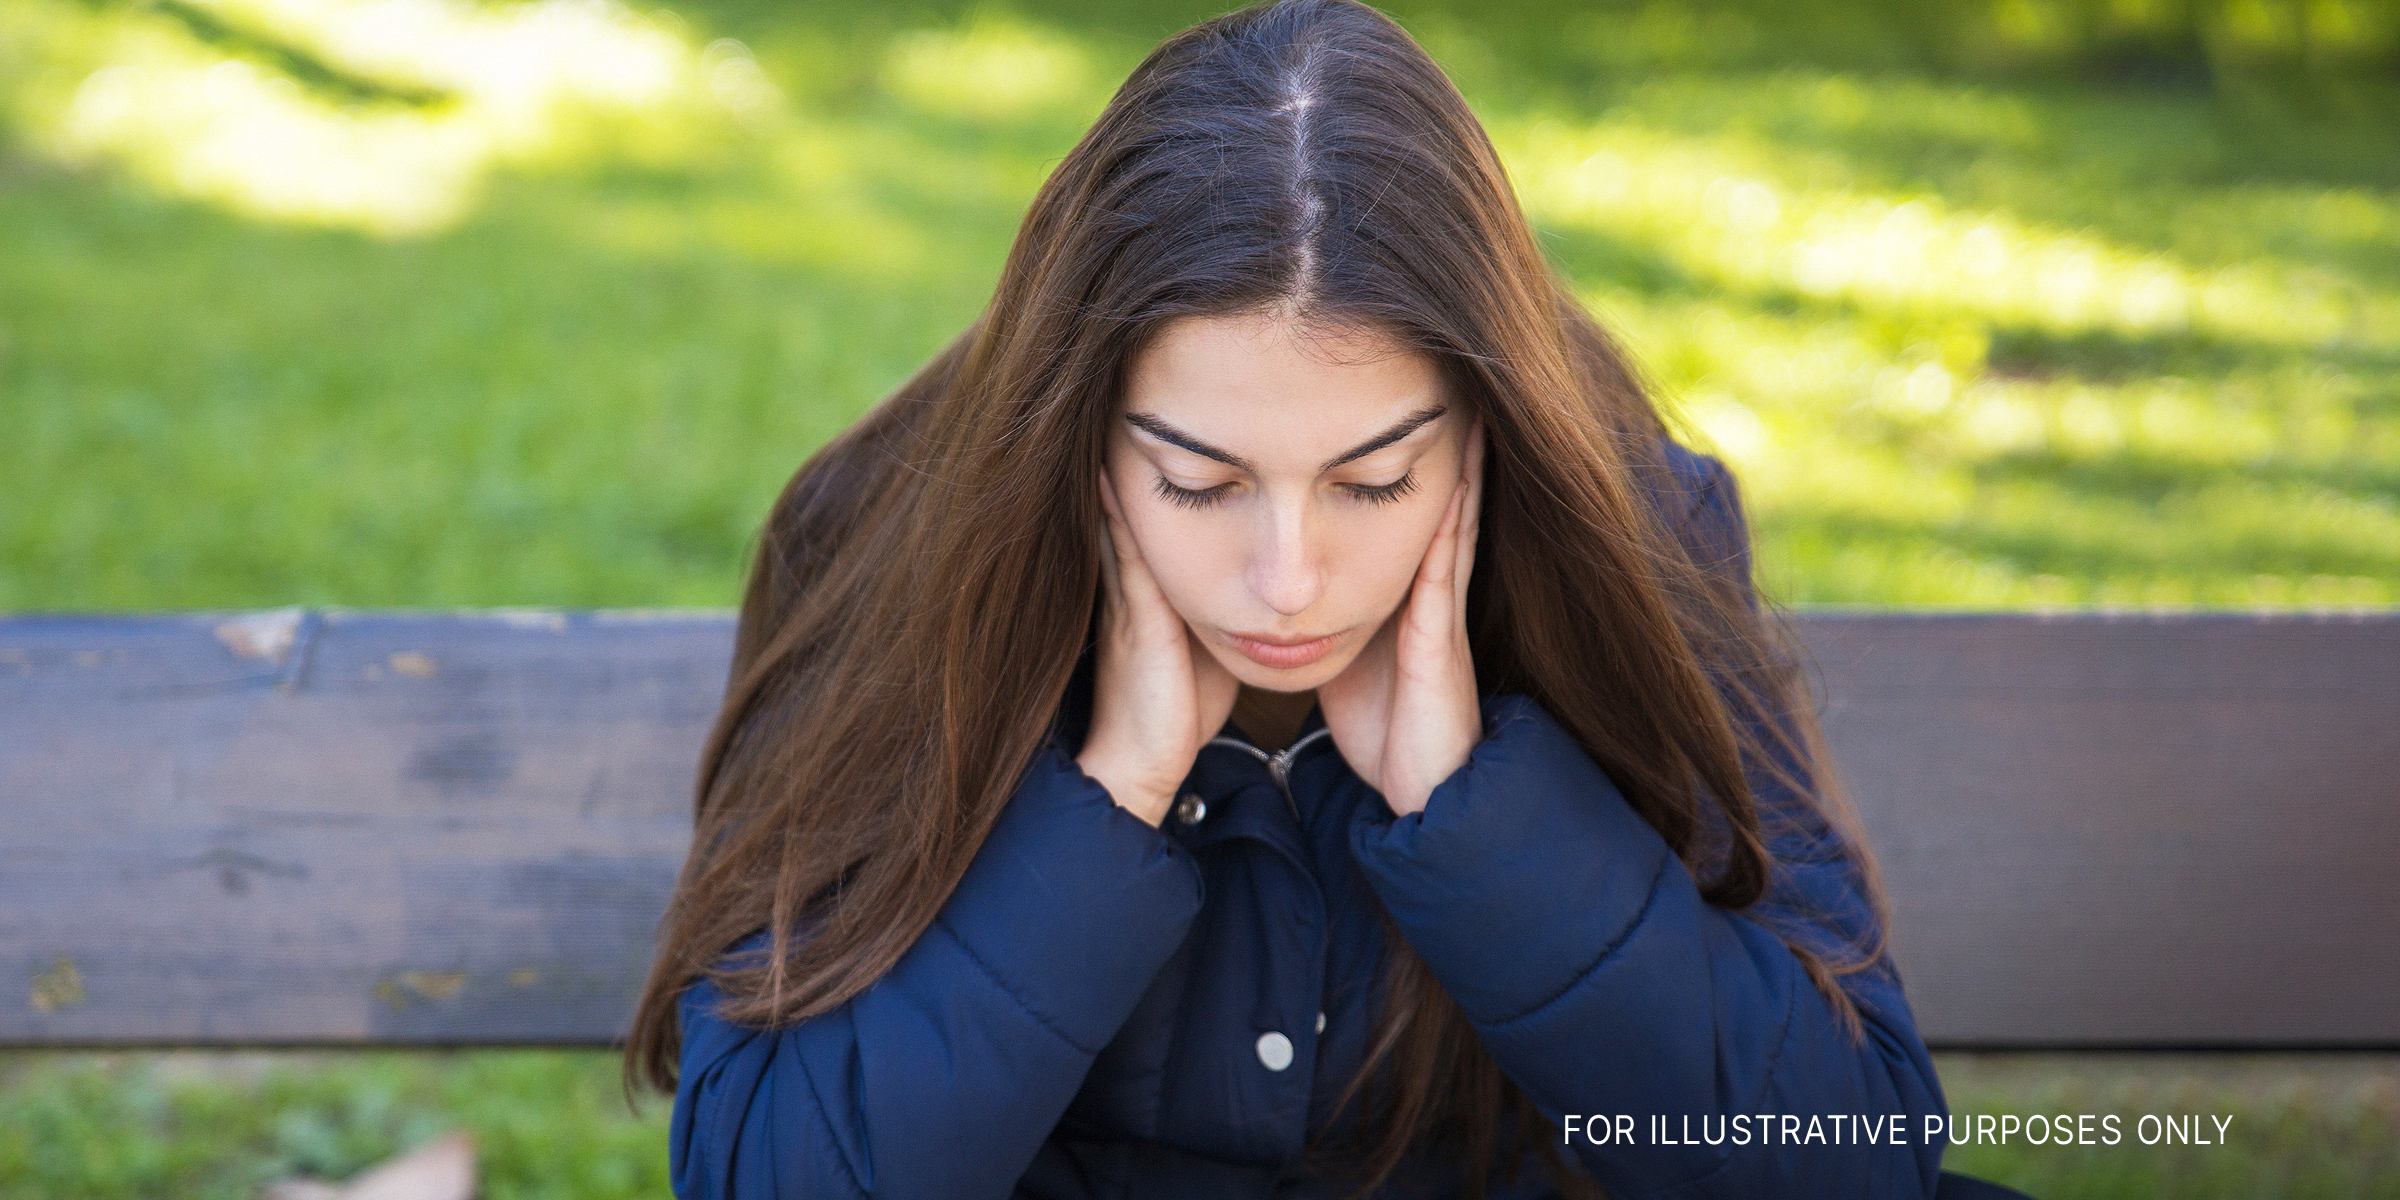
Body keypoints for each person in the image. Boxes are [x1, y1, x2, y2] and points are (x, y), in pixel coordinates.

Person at [626, 2, 2016, 1196]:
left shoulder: (1630, 541)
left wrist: (1477, 812)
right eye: (1196, 483)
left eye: (1373, 482)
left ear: (1487, 428)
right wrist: (1111, 796)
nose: (1286, 579)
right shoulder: (890, 535)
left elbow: (1852, 1156)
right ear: (1081, 427)